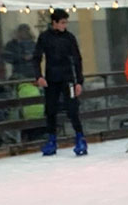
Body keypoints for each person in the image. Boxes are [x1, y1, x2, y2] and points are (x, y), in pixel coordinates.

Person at [32, 9, 87, 156]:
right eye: (62, 22)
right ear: (54, 23)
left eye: (66, 22)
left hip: (68, 78)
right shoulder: (44, 37)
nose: (65, 25)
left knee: (72, 109)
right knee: (51, 110)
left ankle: (80, 138)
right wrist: (39, 76)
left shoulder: (69, 38)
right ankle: (51, 140)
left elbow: (77, 60)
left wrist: (79, 82)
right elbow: (37, 57)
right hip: (51, 80)